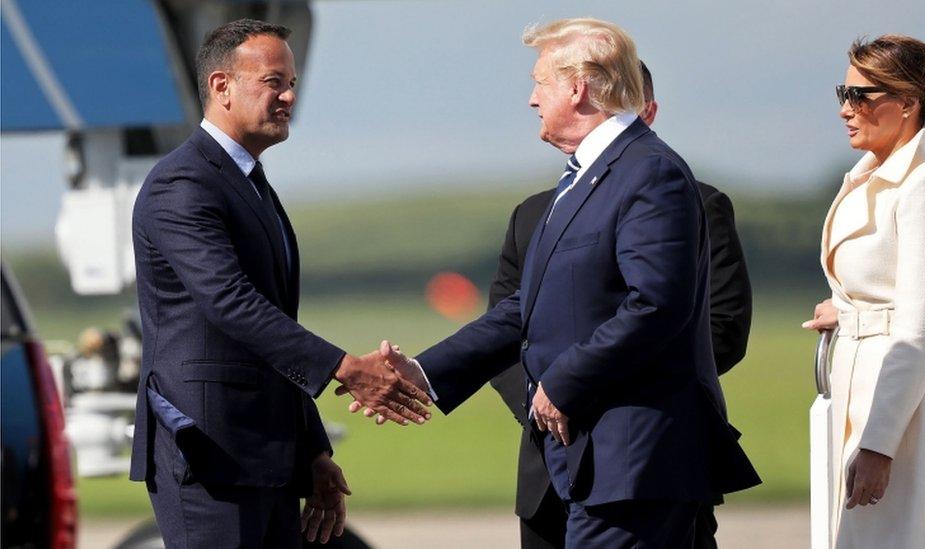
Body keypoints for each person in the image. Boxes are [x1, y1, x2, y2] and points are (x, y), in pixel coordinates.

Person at [351, 18, 760, 547]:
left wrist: (564, 381)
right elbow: (526, 306)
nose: (531, 99)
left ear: (578, 87)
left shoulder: (649, 171)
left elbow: (657, 305)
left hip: (636, 464)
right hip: (591, 465)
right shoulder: (581, 180)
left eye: (539, 82)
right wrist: (424, 372)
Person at [129, 19, 431, 548]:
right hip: (209, 455)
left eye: (291, 83)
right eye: (274, 82)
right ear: (221, 86)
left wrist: (312, 452)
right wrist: (347, 369)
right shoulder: (183, 183)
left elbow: (271, 330)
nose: (290, 95)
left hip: (264, 457)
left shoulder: (248, 182)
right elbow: (232, 305)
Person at [487, 60, 753, 549]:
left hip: (643, 454)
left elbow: (719, 328)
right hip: (546, 465)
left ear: (646, 113)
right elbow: (509, 327)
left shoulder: (697, 201)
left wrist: (582, 385)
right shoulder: (531, 216)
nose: (530, 101)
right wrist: (543, 402)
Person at [802, 35, 925, 549]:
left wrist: (881, 444)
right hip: (860, 378)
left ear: (907, 104)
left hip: (902, 404)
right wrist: (848, 309)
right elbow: (882, 282)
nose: (844, 109)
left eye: (860, 95)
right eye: (843, 92)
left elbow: (919, 324)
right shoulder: (863, 179)